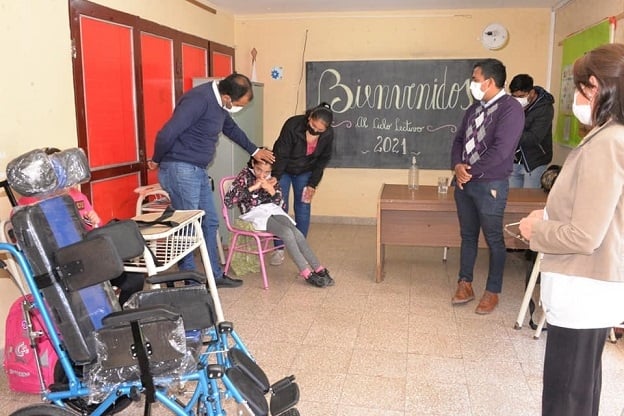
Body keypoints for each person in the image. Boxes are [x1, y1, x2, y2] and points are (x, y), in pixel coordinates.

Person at [519, 43, 624, 416]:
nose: (574, 98)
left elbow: (585, 235)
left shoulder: (606, 143)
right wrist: (551, 214)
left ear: (594, 87)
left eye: (578, 89)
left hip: (584, 288)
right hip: (590, 287)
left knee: (565, 397)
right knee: (579, 392)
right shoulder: (609, 136)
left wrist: (537, 229)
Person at [149, 73, 274, 288]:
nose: (239, 108)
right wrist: (156, 159)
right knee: (188, 225)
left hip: (197, 170)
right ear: (227, 97)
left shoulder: (220, 103)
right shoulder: (198, 100)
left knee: (210, 222)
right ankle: (190, 280)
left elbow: (231, 128)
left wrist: (254, 150)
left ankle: (214, 275)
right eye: (239, 104)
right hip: (180, 168)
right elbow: (167, 133)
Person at [18, 148, 144, 305]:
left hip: (88, 254)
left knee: (134, 280)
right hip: (62, 263)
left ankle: (124, 313)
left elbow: (93, 228)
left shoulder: (76, 195)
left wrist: (94, 221)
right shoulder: (29, 204)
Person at [450, 59, 525, 314]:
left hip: (490, 184)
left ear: (490, 82)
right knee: (468, 235)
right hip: (465, 183)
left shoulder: (510, 109)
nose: (472, 83)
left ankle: (492, 291)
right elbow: (459, 140)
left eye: (475, 79)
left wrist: (468, 171)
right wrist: (457, 166)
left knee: (493, 239)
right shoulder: (474, 109)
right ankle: (465, 283)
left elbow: (501, 150)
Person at [224, 156, 334, 288]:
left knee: (297, 233)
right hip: (253, 214)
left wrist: (272, 191)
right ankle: (305, 272)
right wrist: (253, 187)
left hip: (272, 210)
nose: (262, 175)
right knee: (286, 233)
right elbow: (229, 201)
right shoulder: (244, 175)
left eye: (267, 172)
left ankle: (318, 268)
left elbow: (281, 204)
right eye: (259, 170)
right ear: (253, 163)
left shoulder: (272, 178)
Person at [270, 102, 334, 266]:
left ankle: (300, 248)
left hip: (306, 171)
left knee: (303, 207)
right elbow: (282, 153)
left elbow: (322, 161)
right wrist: (276, 176)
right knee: (279, 207)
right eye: (313, 126)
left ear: (326, 129)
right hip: (283, 169)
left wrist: (312, 184)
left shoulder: (328, 135)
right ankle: (278, 249)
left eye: (320, 130)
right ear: (309, 117)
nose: (315, 131)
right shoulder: (293, 125)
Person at [508, 74, 555, 188]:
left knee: (530, 196)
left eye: (521, 96)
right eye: (514, 96)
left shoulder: (545, 108)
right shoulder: (512, 106)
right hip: (514, 161)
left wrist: (510, 134)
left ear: (532, 92)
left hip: (534, 162)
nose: (518, 99)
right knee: (513, 197)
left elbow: (534, 137)